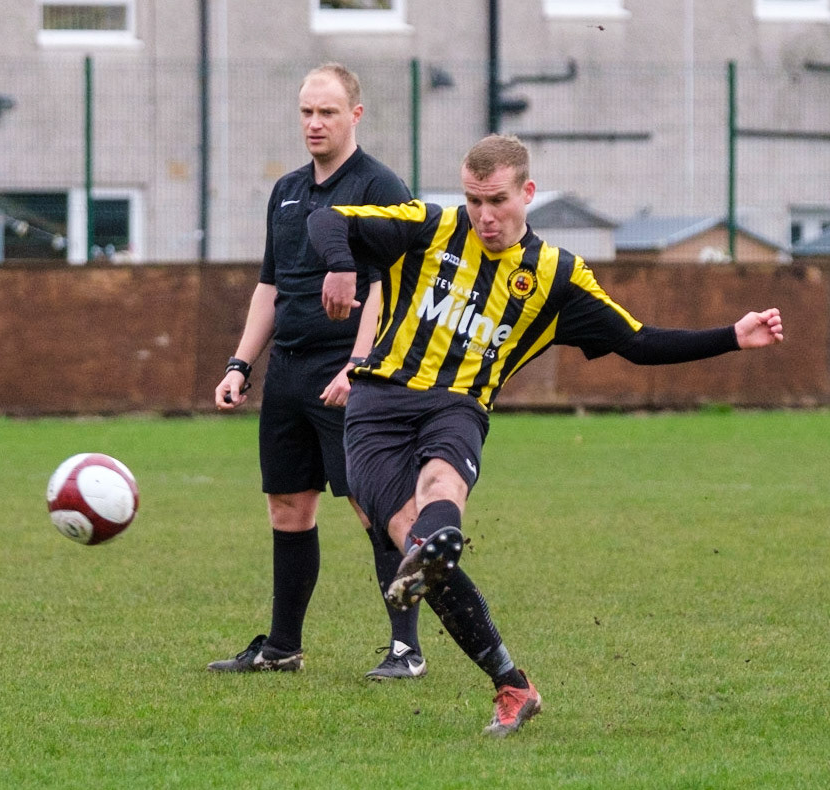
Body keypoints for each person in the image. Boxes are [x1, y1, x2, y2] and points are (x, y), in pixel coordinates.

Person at [309, 133, 785, 735]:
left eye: (498, 201)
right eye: (474, 200)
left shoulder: (556, 275)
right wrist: (341, 265)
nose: (484, 215)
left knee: (439, 488)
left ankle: (434, 556)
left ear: (527, 193)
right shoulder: (425, 226)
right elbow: (327, 219)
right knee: (410, 537)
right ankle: (512, 682)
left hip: (457, 406)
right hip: (376, 406)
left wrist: (731, 336)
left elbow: (636, 342)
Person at [208, 63, 427, 680]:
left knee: (373, 506)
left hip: (351, 373)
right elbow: (269, 288)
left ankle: (406, 650)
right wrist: (239, 363)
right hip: (291, 372)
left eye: (326, 112)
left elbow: (390, 288)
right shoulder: (285, 191)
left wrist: (360, 365)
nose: (313, 122)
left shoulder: (381, 186)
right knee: (288, 506)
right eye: (306, 111)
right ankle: (282, 648)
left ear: (354, 115)